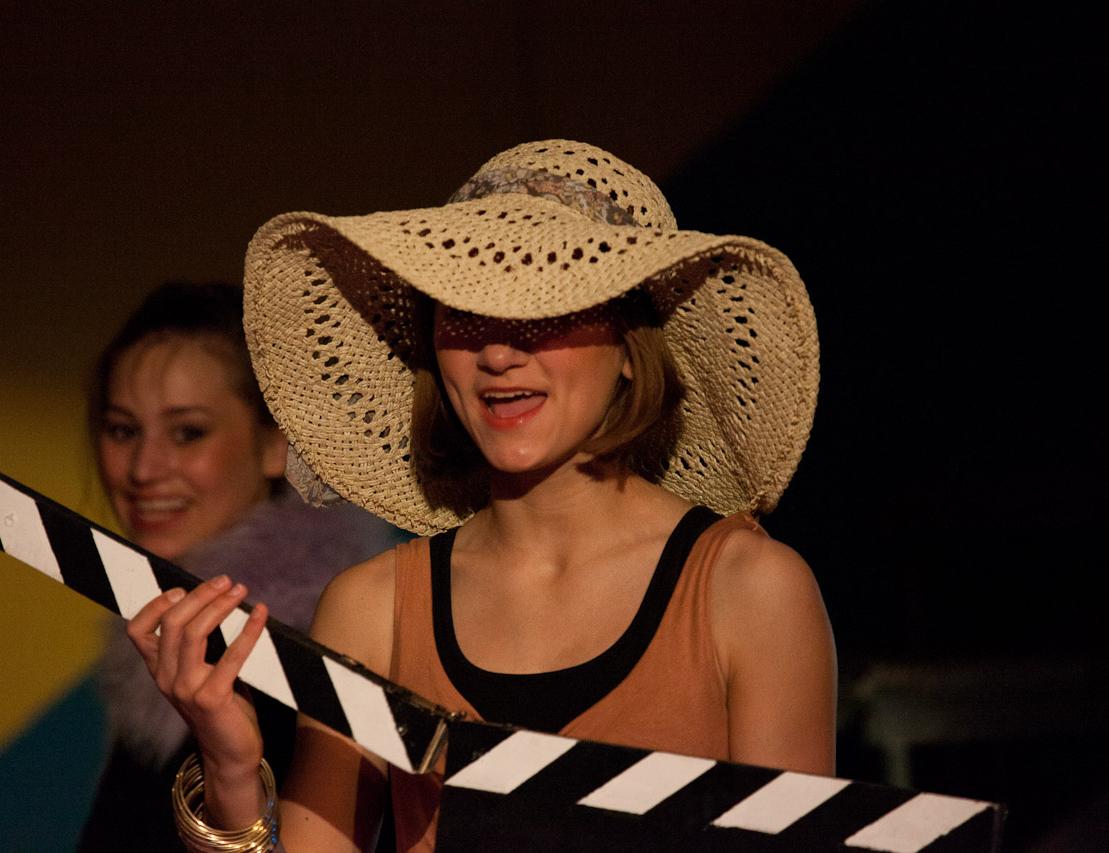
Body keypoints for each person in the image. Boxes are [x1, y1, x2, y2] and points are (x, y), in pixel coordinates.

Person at [128, 141, 836, 852]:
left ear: (630, 346)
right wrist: (231, 771)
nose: (498, 353)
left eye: (548, 305)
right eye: (465, 311)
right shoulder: (372, 610)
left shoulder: (750, 592)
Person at [76, 281, 398, 851]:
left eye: (188, 433)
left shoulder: (324, 659)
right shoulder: (163, 649)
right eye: (123, 430)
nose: (144, 469)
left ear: (278, 445)